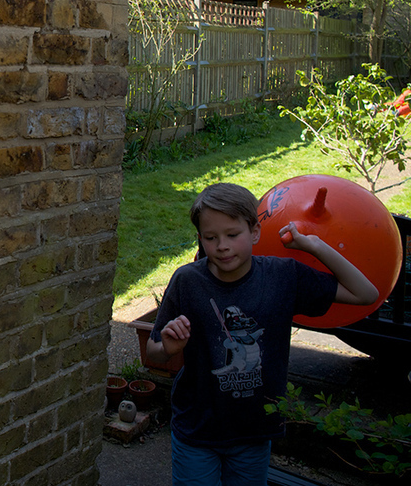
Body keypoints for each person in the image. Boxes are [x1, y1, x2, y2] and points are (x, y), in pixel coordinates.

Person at [147, 182, 378, 486]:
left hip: (254, 431)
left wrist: (314, 245)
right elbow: (152, 353)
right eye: (211, 238)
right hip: (197, 429)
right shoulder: (187, 281)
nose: (222, 246)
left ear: (255, 231)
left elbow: (365, 294)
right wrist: (167, 347)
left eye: (233, 235)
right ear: (200, 238)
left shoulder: (283, 277)